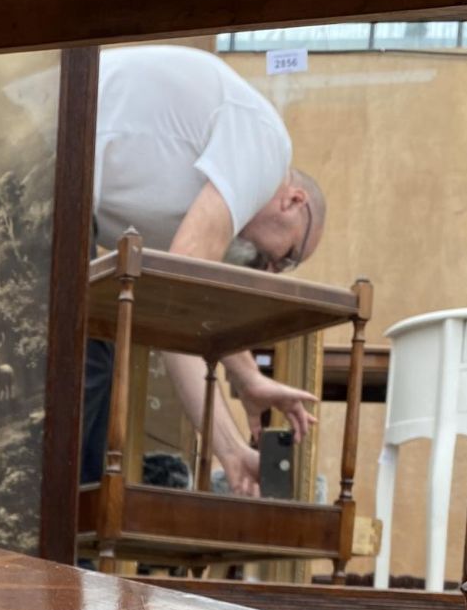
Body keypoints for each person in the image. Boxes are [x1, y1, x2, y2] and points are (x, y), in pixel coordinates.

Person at [83, 44, 327, 494]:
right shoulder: (269, 145)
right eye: (287, 255)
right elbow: (188, 282)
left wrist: (231, 444)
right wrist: (246, 376)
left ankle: (60, 546)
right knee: (86, 364)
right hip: (50, 148)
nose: (271, 269)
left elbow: (177, 326)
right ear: (294, 201)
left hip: (62, 174)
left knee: (91, 362)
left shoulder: (183, 213)